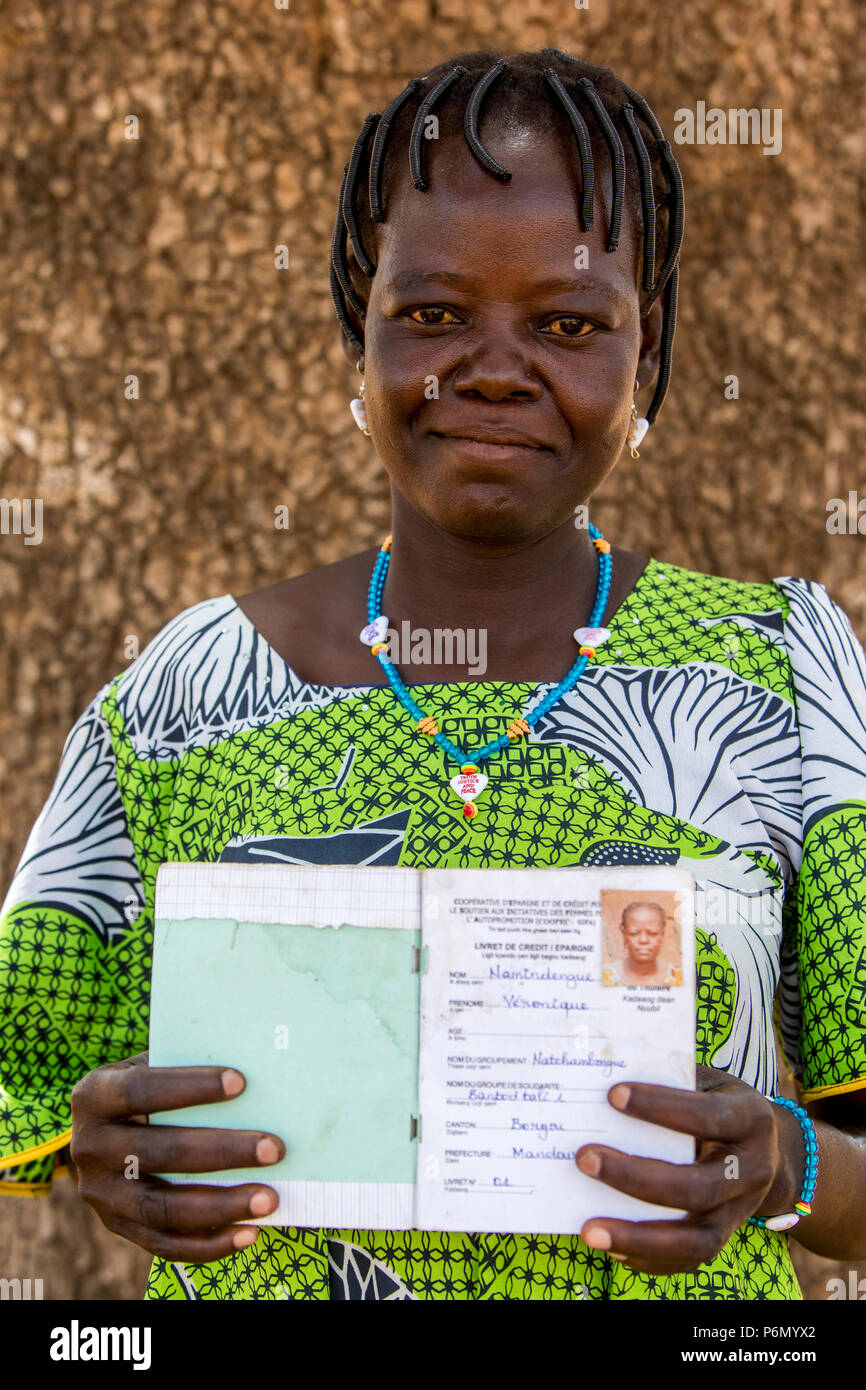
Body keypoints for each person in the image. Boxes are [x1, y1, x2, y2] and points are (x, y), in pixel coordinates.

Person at [1, 47, 865, 1303]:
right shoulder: (192, 687)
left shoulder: (773, 677)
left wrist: (782, 1164)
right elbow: (32, 1086)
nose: (495, 369)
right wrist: (100, 1148)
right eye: (434, 314)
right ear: (363, 325)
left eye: (568, 324)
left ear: (646, 345)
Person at [603, 902, 682, 987]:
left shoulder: (679, 977)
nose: (643, 940)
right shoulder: (605, 977)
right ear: (624, 934)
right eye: (634, 933)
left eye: (652, 933)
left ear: (662, 935)